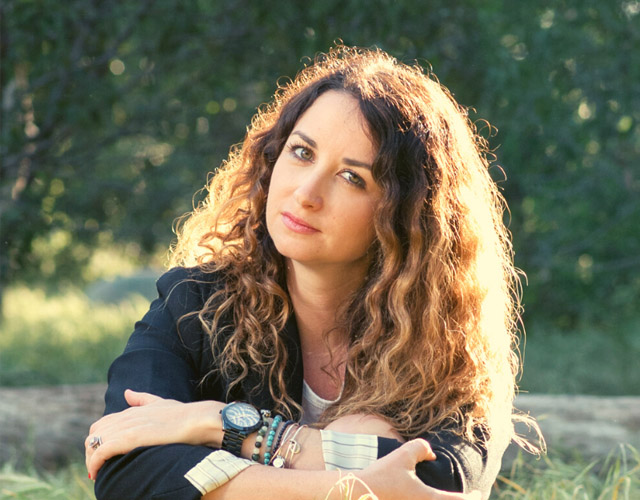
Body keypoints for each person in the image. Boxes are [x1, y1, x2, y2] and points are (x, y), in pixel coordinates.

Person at [85, 45, 537, 500]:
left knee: (367, 426)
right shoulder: (195, 303)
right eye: (302, 152)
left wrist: (219, 426)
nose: (306, 193)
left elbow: (449, 479)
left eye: (352, 178)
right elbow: (124, 466)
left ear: (408, 217)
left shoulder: (447, 340)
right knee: (367, 438)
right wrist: (350, 486)